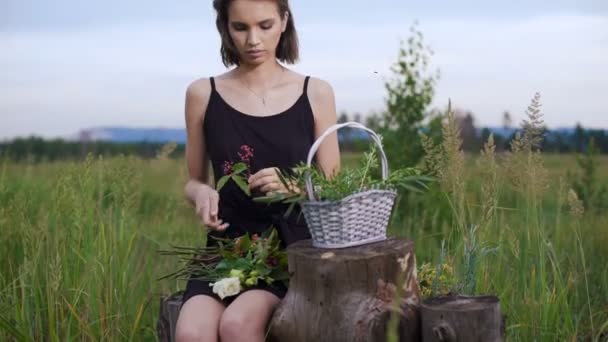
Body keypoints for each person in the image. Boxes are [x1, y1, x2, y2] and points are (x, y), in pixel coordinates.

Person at [174, 0, 340, 341]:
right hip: (225, 248)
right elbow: (192, 181)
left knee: (237, 324)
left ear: (284, 21)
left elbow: (335, 186)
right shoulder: (202, 94)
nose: (253, 40)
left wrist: (296, 186)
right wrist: (202, 192)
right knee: (191, 332)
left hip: (289, 248)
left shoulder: (316, 92)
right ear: (225, 27)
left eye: (264, 26)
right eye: (240, 27)